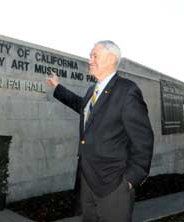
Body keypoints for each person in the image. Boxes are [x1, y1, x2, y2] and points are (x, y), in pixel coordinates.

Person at [46, 40, 154, 222]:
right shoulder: (92, 91)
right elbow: (80, 105)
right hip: (87, 183)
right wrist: (57, 87)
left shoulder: (127, 90)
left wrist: (131, 180)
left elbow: (143, 139)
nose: (90, 60)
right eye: (90, 55)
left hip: (114, 186)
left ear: (111, 59)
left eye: (94, 55)